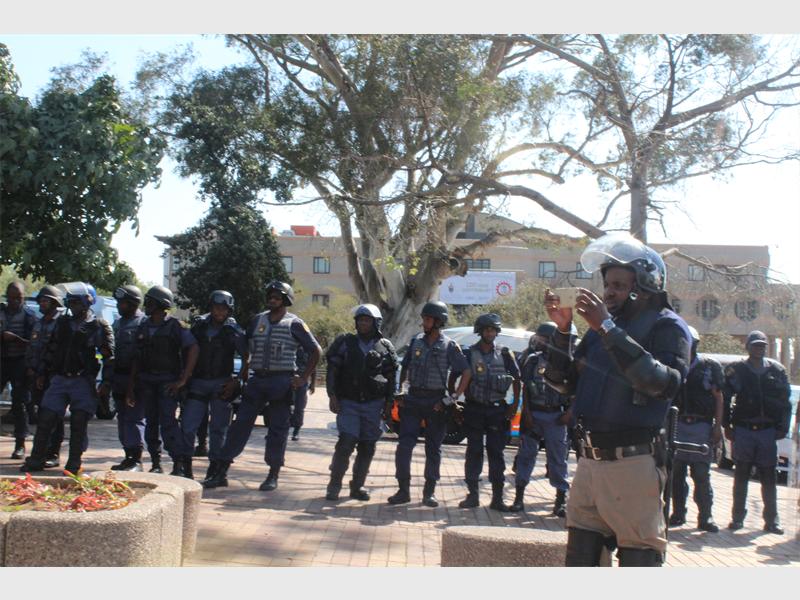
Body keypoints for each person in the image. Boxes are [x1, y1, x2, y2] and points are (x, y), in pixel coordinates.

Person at [542, 232, 692, 567]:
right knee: (580, 559)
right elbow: (564, 383)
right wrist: (563, 331)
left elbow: (662, 384)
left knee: (639, 558)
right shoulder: (602, 330)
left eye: (619, 286)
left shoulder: (668, 327)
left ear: (645, 285)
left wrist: (608, 329)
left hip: (633, 463)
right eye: (608, 284)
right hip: (589, 462)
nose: (609, 292)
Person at [202, 281, 321, 491]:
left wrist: (303, 378)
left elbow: (315, 350)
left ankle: (273, 474)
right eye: (270, 296)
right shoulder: (258, 319)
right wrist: (242, 370)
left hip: (281, 381)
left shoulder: (295, 324)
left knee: (277, 429)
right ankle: (221, 472)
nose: (272, 300)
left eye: (277, 297)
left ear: (286, 300)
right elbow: (244, 343)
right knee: (239, 426)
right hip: (257, 381)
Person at [21, 282, 114, 474]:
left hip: (83, 380)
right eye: (70, 302)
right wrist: (42, 373)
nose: (72, 306)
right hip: (59, 379)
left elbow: (109, 357)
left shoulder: (98, 326)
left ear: (86, 302)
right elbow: (51, 349)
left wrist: (106, 383)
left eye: (75, 302)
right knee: (46, 418)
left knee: (78, 423)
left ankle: (73, 464)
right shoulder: (62, 323)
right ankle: (36, 460)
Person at [388, 301, 471, 507]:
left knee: (433, 448)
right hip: (413, 400)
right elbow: (405, 366)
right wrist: (401, 390)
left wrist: (452, 398)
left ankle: (429, 493)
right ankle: (403, 490)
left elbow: (466, 372)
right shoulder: (415, 341)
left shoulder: (449, 346)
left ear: (438, 322)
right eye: (424, 319)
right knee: (404, 446)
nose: (423, 323)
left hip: (436, 403)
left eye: (427, 319)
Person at [324, 304, 398, 501]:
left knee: (367, 446)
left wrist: (389, 403)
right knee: (346, 443)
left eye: (367, 320)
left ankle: (357, 486)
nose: (363, 323)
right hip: (349, 402)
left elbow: (391, 378)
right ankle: (334, 484)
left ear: (376, 323)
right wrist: (332, 395)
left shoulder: (385, 346)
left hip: (373, 404)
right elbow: (333, 370)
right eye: (360, 320)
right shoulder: (345, 342)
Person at [126, 285, 199, 477]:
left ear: (161, 305)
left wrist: (183, 379)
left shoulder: (175, 326)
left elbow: (193, 348)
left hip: (167, 382)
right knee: (151, 423)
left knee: (168, 423)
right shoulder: (143, 326)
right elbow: (136, 359)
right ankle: (156, 462)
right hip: (147, 382)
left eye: (150, 302)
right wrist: (131, 387)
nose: (147, 305)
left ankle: (178, 463)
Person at [723, 330, 791, 535]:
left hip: (767, 432)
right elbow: (725, 398)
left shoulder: (777, 371)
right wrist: (727, 425)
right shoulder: (737, 370)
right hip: (744, 430)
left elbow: (785, 402)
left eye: (762, 345)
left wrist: (783, 427)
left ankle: (772, 521)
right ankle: (737, 518)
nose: (759, 349)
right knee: (741, 475)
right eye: (755, 345)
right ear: (748, 347)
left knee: (769, 477)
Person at [454, 313, 520, 511]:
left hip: (497, 411)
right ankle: (472, 495)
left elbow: (517, 379)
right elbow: (455, 376)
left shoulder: (505, 354)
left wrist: (513, 406)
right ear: (480, 331)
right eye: (487, 330)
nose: (490, 333)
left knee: (496, 454)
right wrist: (454, 402)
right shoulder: (468, 353)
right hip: (474, 409)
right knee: (474, 452)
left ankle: (497, 499)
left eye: (493, 330)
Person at [182, 290, 249, 481]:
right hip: (198, 382)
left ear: (229, 310)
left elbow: (247, 357)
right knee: (187, 426)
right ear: (210, 307)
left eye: (223, 308)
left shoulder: (233, 330)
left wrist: (237, 381)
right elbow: (186, 350)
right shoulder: (199, 326)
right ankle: (185, 466)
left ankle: (215, 470)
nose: (219, 312)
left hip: (221, 384)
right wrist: (184, 378)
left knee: (219, 429)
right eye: (216, 307)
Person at [510, 321, 574, 516]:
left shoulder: (566, 362)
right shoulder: (532, 360)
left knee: (558, 459)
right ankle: (518, 498)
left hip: (556, 416)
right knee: (526, 455)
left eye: (546, 339)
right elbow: (525, 388)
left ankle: (560, 501)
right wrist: (526, 413)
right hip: (534, 415)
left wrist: (569, 413)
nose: (541, 342)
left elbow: (575, 390)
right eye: (540, 338)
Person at [668, 325, 724, 533]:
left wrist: (717, 427)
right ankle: (678, 513)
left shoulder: (709, 367)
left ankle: (705, 516)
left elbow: (719, 398)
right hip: (678, 425)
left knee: (701, 474)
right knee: (677, 473)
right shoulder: (675, 365)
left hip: (701, 426)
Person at [101, 285, 148, 472]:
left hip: (136, 379)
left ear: (134, 303)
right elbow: (110, 355)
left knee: (134, 419)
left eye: (123, 303)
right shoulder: (118, 324)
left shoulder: (143, 323)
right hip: (118, 377)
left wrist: (134, 383)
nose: (119, 306)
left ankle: (136, 459)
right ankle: (128, 456)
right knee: (122, 418)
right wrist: (106, 380)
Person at [24, 285, 65, 467]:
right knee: (42, 415)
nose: (41, 303)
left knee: (54, 416)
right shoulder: (38, 322)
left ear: (55, 303)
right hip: (36, 375)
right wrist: (30, 368)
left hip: (52, 376)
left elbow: (56, 353)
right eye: (40, 300)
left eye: (45, 301)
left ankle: (53, 453)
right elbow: (31, 348)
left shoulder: (61, 324)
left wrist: (44, 372)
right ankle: (42, 452)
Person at [1, 281, 37, 459]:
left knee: (19, 404)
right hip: (2, 362)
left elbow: (35, 343)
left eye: (19, 298)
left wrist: (16, 339)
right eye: (12, 298)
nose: (15, 301)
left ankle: (20, 444)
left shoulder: (29, 316)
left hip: (20, 363)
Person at [290, 346, 316, 441]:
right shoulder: (290, 346)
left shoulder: (308, 349)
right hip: (288, 378)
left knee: (299, 406)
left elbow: (313, 367)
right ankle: (276, 430)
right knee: (281, 404)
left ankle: (296, 431)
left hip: (302, 380)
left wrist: (312, 384)